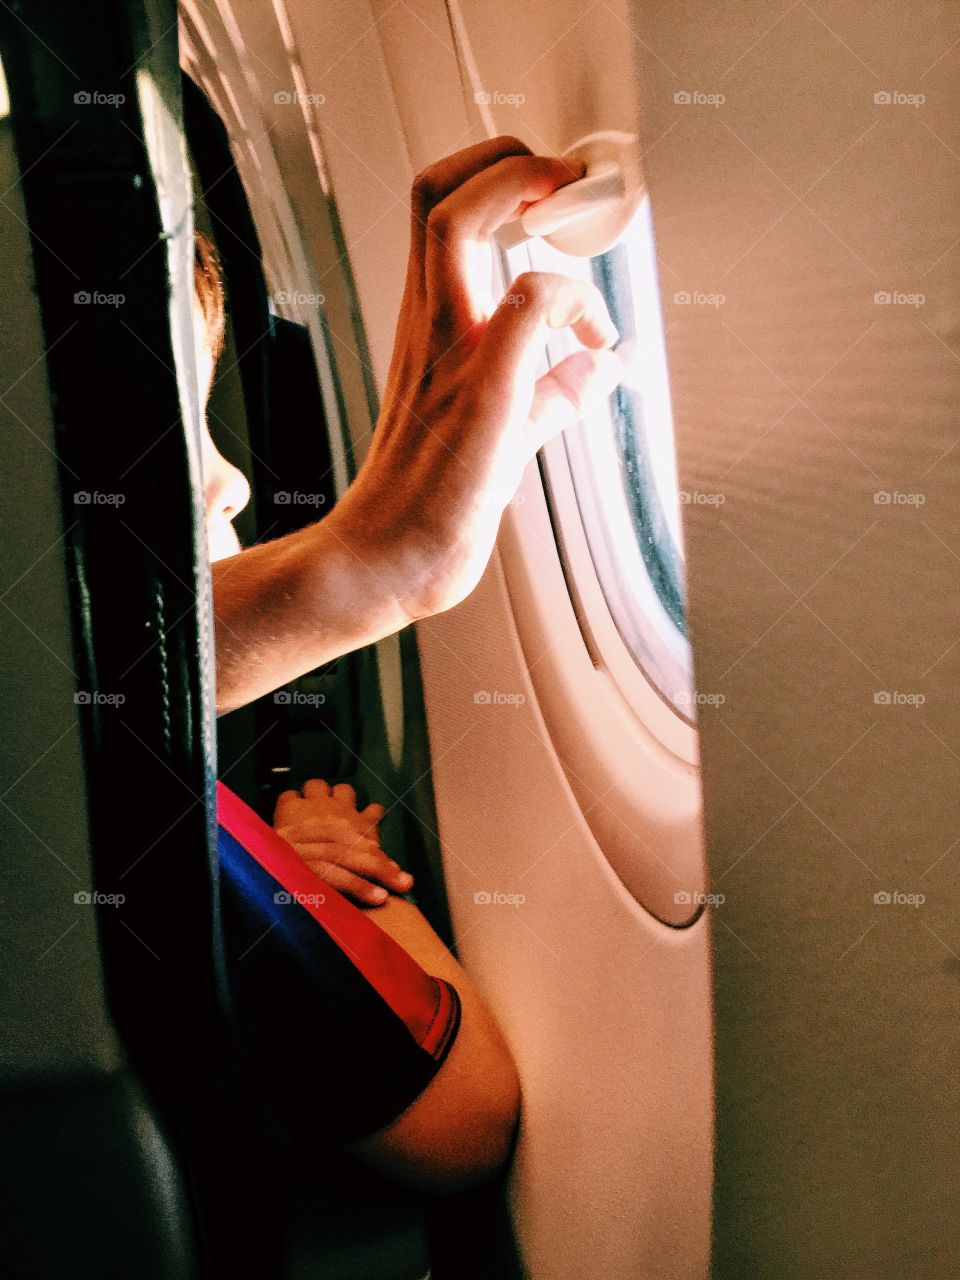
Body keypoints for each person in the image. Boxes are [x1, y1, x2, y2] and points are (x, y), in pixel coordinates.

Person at [193, 136, 627, 1191]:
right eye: (172, 428)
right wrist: (364, 569)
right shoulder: (146, 815)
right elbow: (464, 1116)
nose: (233, 479)